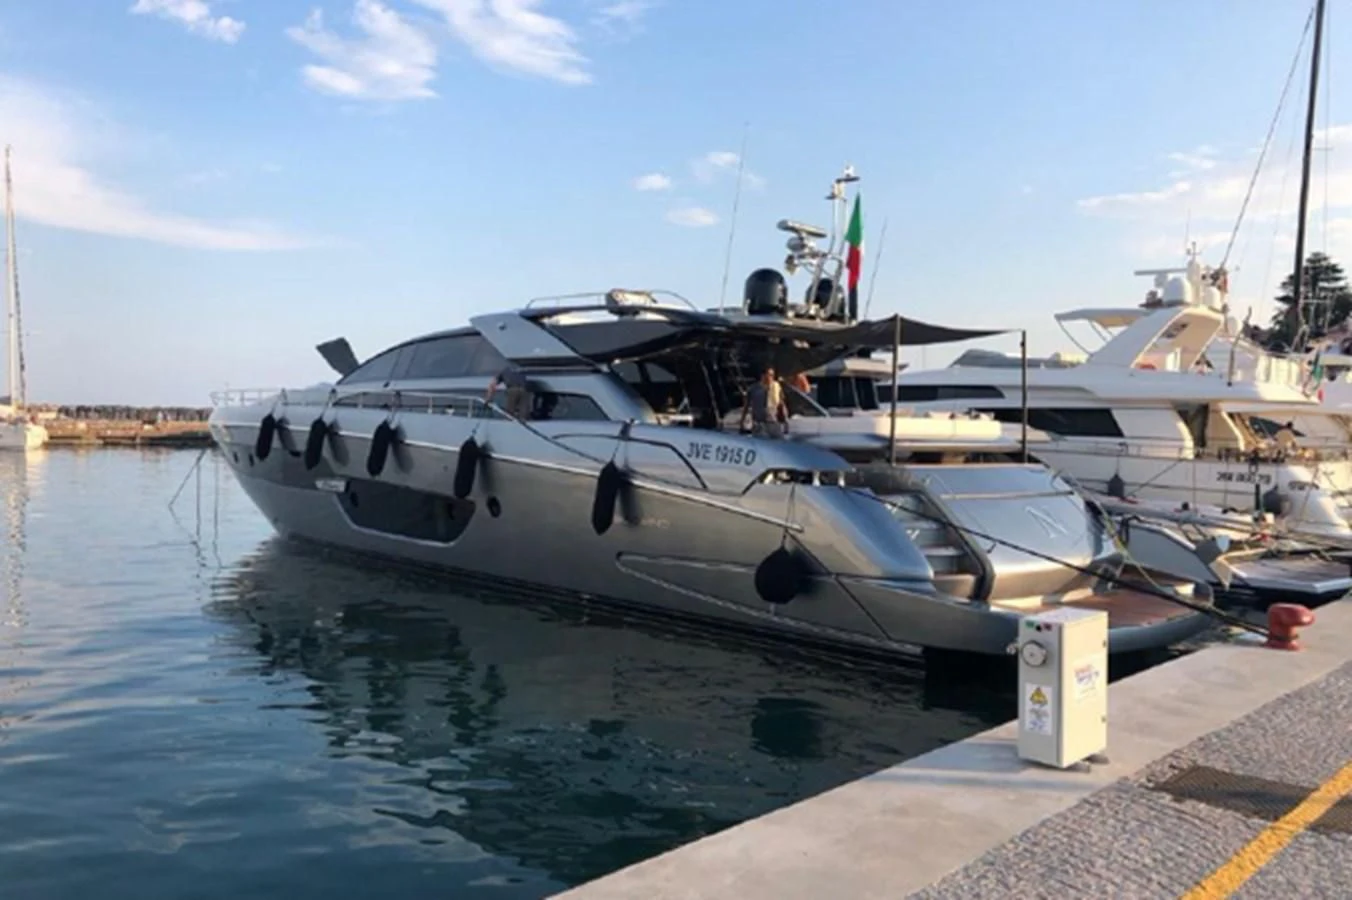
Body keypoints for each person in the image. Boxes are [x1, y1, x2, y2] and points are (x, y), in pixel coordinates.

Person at [740, 366, 788, 438]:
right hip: (759, 424)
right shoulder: (753, 389)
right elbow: (746, 406)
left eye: (772, 375)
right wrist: (742, 421)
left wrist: (785, 420)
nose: (771, 377)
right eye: (769, 375)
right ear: (763, 375)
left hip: (773, 422)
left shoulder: (776, 388)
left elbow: (782, 404)